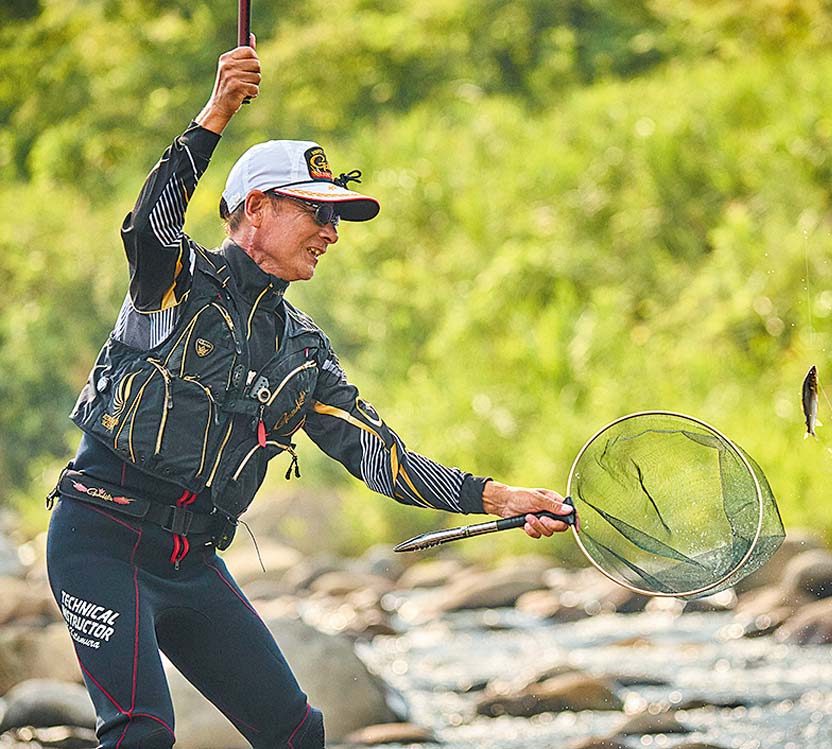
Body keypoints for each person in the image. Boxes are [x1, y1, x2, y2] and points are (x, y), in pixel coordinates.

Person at [45, 42, 572, 748]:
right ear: (255, 208)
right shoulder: (172, 281)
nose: (331, 233)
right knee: (141, 734)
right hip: (97, 539)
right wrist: (218, 111)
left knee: (297, 732)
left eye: (337, 220)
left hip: (189, 557)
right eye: (316, 213)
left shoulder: (304, 352)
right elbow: (147, 223)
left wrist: (499, 496)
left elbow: (384, 459)